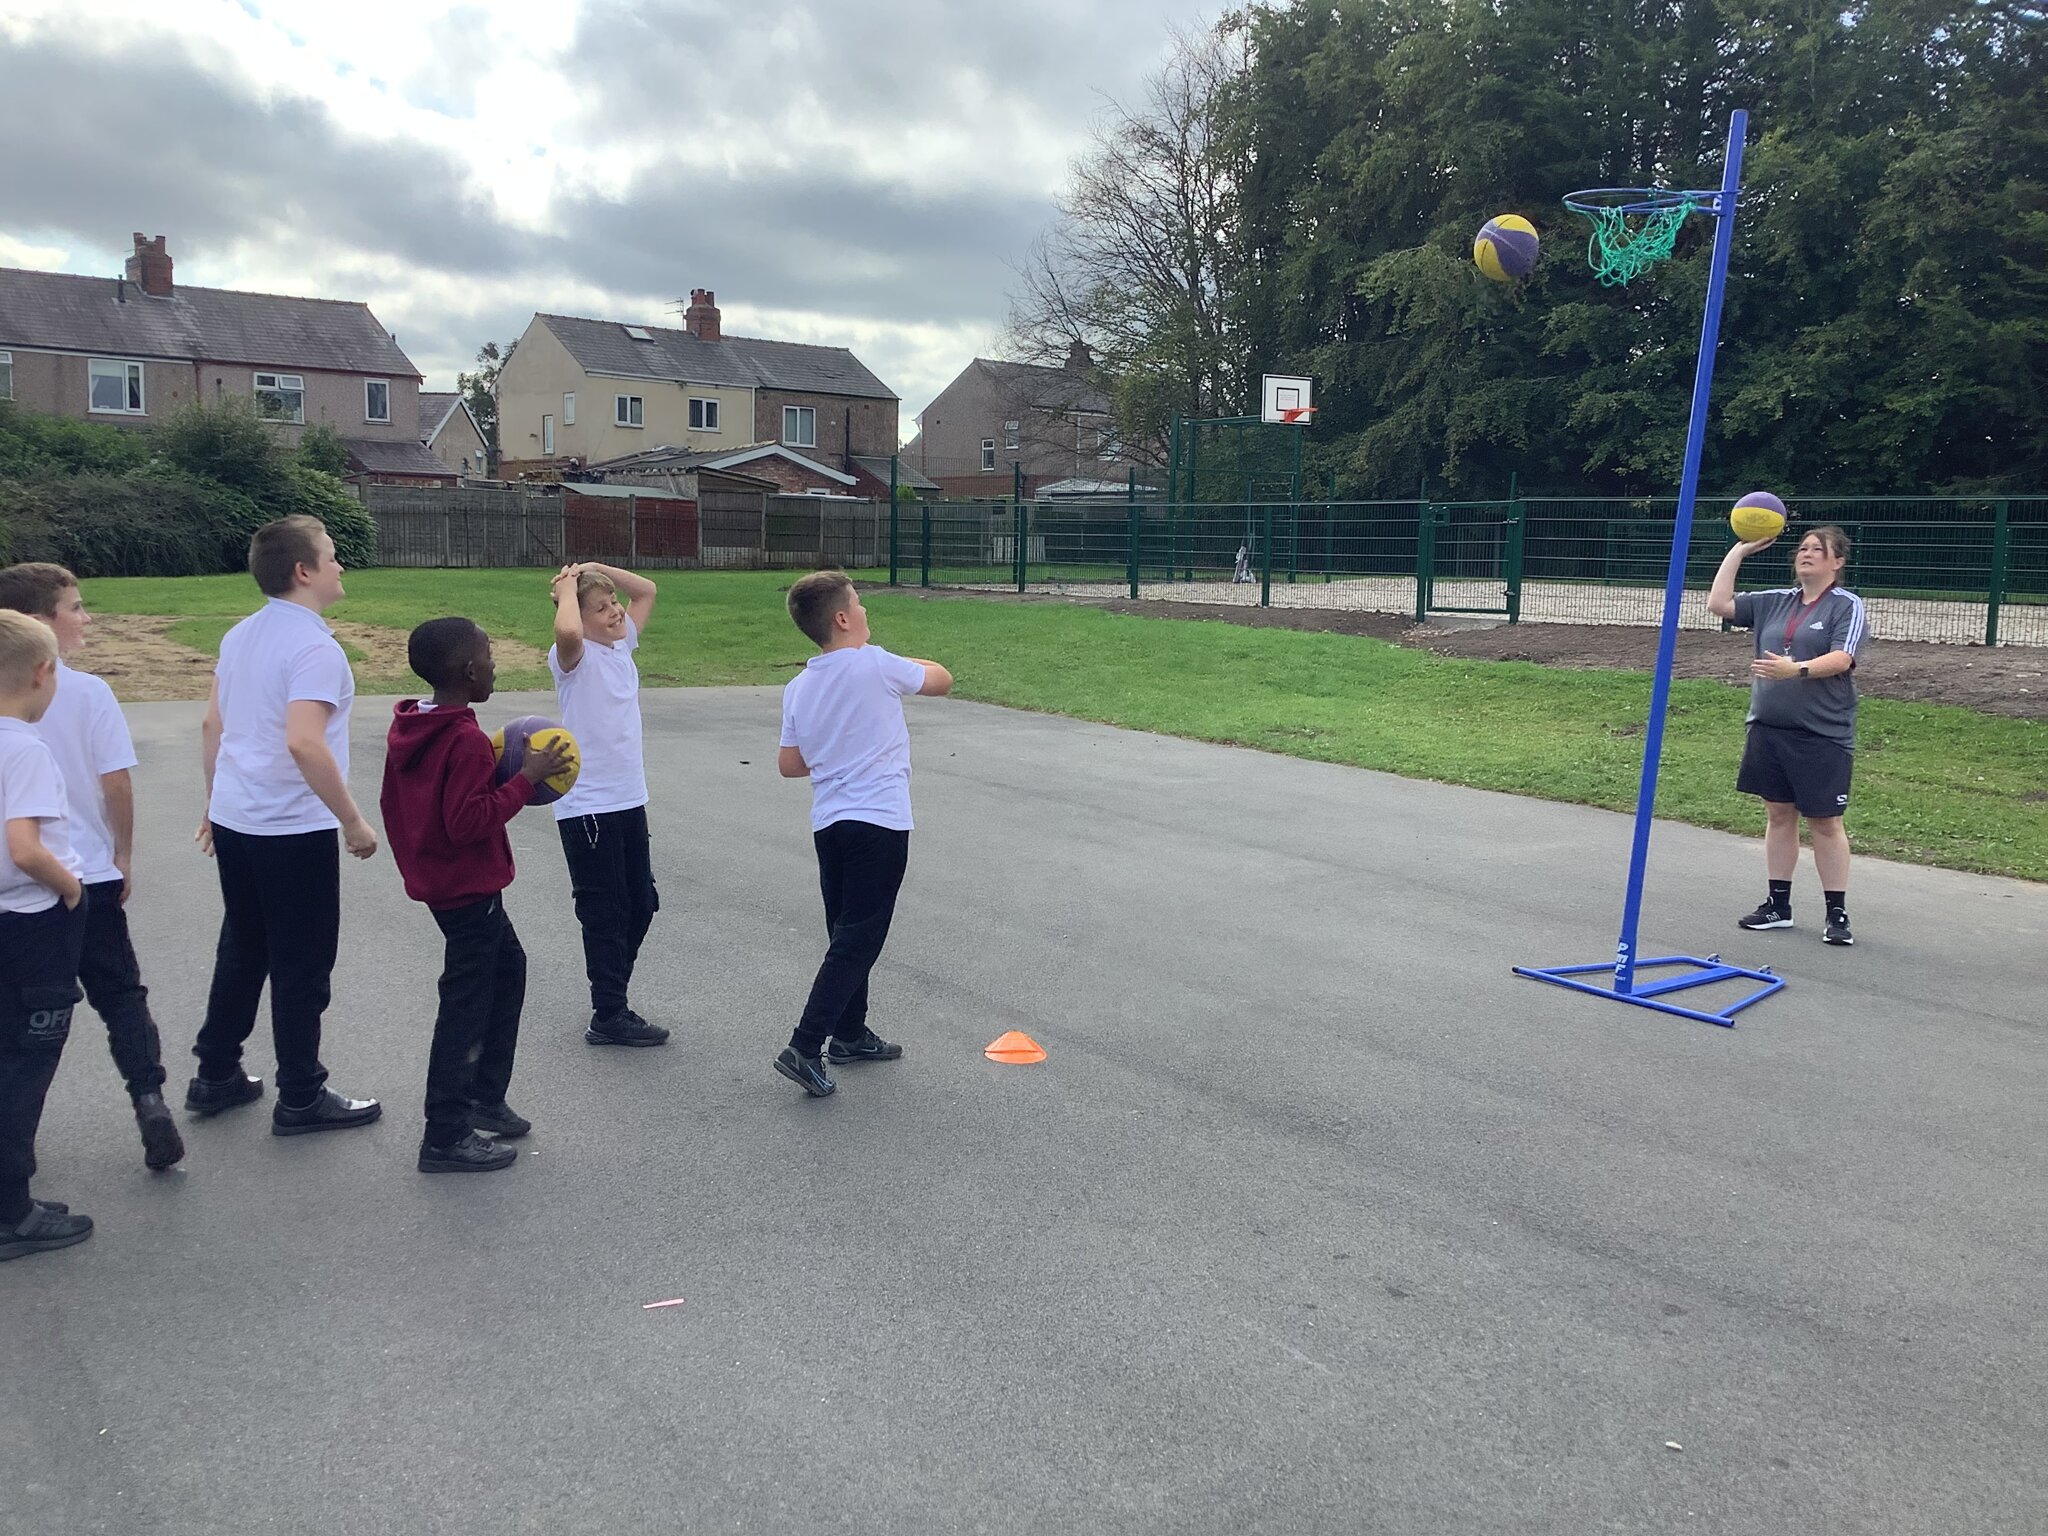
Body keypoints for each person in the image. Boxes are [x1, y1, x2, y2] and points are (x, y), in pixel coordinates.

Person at [189, 515, 383, 1134]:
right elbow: (304, 742)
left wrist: (216, 802)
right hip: (290, 827)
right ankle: (301, 1095)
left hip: (239, 817)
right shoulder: (315, 649)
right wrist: (352, 821)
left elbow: (213, 725)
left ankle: (216, 1073)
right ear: (304, 571)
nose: (340, 565)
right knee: (302, 961)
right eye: (332, 555)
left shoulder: (241, 634)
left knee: (244, 944)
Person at [0, 564, 184, 1171]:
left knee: (22, 1017)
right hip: (82, 873)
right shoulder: (87, 692)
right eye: (74, 607)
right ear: (37, 622)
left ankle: (16, 1144)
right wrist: (122, 853)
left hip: (17, 895)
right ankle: (149, 1098)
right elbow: (115, 782)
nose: (86, 617)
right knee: (121, 994)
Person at [382, 618, 571, 1173]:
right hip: (466, 889)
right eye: (489, 655)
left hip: (446, 883)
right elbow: (466, 823)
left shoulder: (418, 724)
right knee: (466, 1004)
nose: (494, 664)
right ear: (468, 671)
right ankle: (445, 1133)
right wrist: (525, 777)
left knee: (508, 971)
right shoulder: (464, 741)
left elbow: (408, 805)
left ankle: (484, 1097)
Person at [773, 572, 952, 1097]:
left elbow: (790, 764)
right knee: (860, 936)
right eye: (859, 603)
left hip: (830, 824)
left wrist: (836, 750)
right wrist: (896, 660)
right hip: (878, 820)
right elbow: (942, 679)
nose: (866, 611)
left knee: (845, 930)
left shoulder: (799, 686)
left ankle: (850, 1034)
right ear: (843, 618)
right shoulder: (875, 663)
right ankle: (805, 1045)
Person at [1707, 524, 1869, 946]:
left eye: (1818, 549)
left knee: (1825, 822)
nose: (1806, 553)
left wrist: (1794, 670)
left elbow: (1843, 657)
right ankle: (1778, 905)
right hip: (1768, 727)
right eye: (1802, 548)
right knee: (1779, 814)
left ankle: (1836, 913)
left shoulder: (1846, 605)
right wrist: (1739, 552)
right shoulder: (1775, 601)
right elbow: (1719, 604)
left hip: (1821, 733)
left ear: (1837, 561)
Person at [0, 610, 93, 1260]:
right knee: (27, 1062)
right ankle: (13, 1211)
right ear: (41, 673)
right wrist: (70, 887)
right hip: (33, 924)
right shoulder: (25, 749)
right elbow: (25, 847)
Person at [547, 562, 668, 1047]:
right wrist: (567, 591)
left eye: (613, 602)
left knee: (642, 904)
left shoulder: (621, 646)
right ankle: (609, 1012)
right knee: (605, 911)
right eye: (601, 608)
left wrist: (596, 569)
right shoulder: (572, 659)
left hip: (628, 799)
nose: (616, 611)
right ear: (580, 617)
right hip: (587, 805)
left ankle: (612, 993)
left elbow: (648, 589)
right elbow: (567, 630)